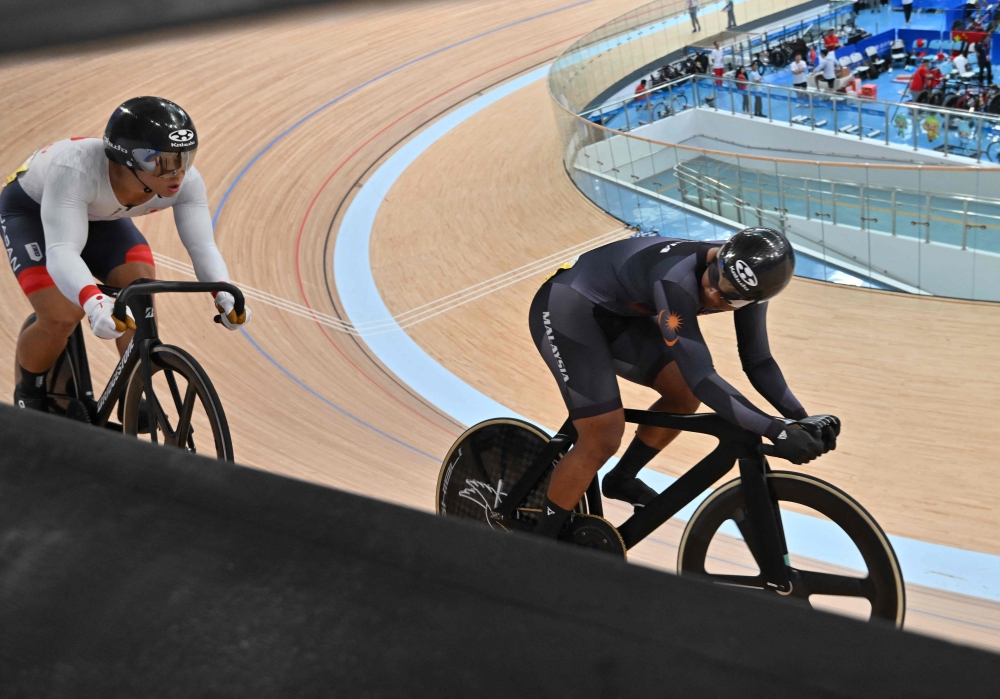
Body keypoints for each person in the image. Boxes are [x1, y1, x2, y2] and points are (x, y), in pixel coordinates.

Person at [527, 228, 835, 536]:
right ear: (720, 256)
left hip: (622, 312)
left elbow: (758, 361)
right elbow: (702, 376)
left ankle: (622, 479)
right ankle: (542, 540)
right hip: (567, 306)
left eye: (729, 297)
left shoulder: (751, 283)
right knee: (602, 436)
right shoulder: (676, 277)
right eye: (716, 277)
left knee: (684, 395)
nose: (714, 294)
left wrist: (801, 420)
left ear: (753, 299)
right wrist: (776, 431)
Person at [2, 97, 253, 412]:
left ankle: (133, 394)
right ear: (128, 159)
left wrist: (223, 290)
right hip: (32, 213)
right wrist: (94, 304)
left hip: (100, 216)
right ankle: (31, 391)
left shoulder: (187, 183)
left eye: (184, 158)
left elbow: (202, 246)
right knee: (62, 316)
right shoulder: (75, 170)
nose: (177, 173)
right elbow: (62, 250)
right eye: (162, 161)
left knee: (138, 292)